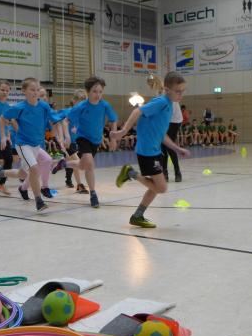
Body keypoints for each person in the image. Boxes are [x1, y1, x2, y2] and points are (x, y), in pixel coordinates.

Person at [112, 72, 191, 228]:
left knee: (155, 186)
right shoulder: (161, 102)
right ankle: (130, 173)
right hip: (147, 151)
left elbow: (161, 135)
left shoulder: (169, 106)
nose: (181, 94)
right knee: (161, 187)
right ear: (167, 89)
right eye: (178, 91)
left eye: (183, 91)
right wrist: (123, 131)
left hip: (155, 150)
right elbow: (137, 111)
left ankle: (137, 216)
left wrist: (176, 148)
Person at [0, 78, 63, 212]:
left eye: (37, 90)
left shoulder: (44, 106)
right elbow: (2, 118)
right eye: (32, 90)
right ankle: (39, 201)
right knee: (34, 169)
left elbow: (56, 121)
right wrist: (3, 136)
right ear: (24, 91)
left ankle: (0, 173)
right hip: (23, 144)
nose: (35, 92)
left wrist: (60, 137)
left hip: (36, 145)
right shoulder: (19, 107)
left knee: (23, 173)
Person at [52, 76, 118, 208]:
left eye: (100, 92)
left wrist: (113, 139)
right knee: (89, 165)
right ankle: (93, 194)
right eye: (94, 91)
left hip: (96, 140)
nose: (98, 95)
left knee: (83, 165)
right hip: (83, 138)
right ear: (88, 92)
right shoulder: (81, 106)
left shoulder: (105, 105)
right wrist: (67, 137)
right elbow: (66, 121)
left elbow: (113, 120)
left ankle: (64, 164)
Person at [156, 73, 183, 182]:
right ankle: (164, 173)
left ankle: (177, 173)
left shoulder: (171, 91)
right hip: (164, 121)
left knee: (170, 147)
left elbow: (169, 108)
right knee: (162, 148)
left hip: (174, 121)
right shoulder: (160, 93)